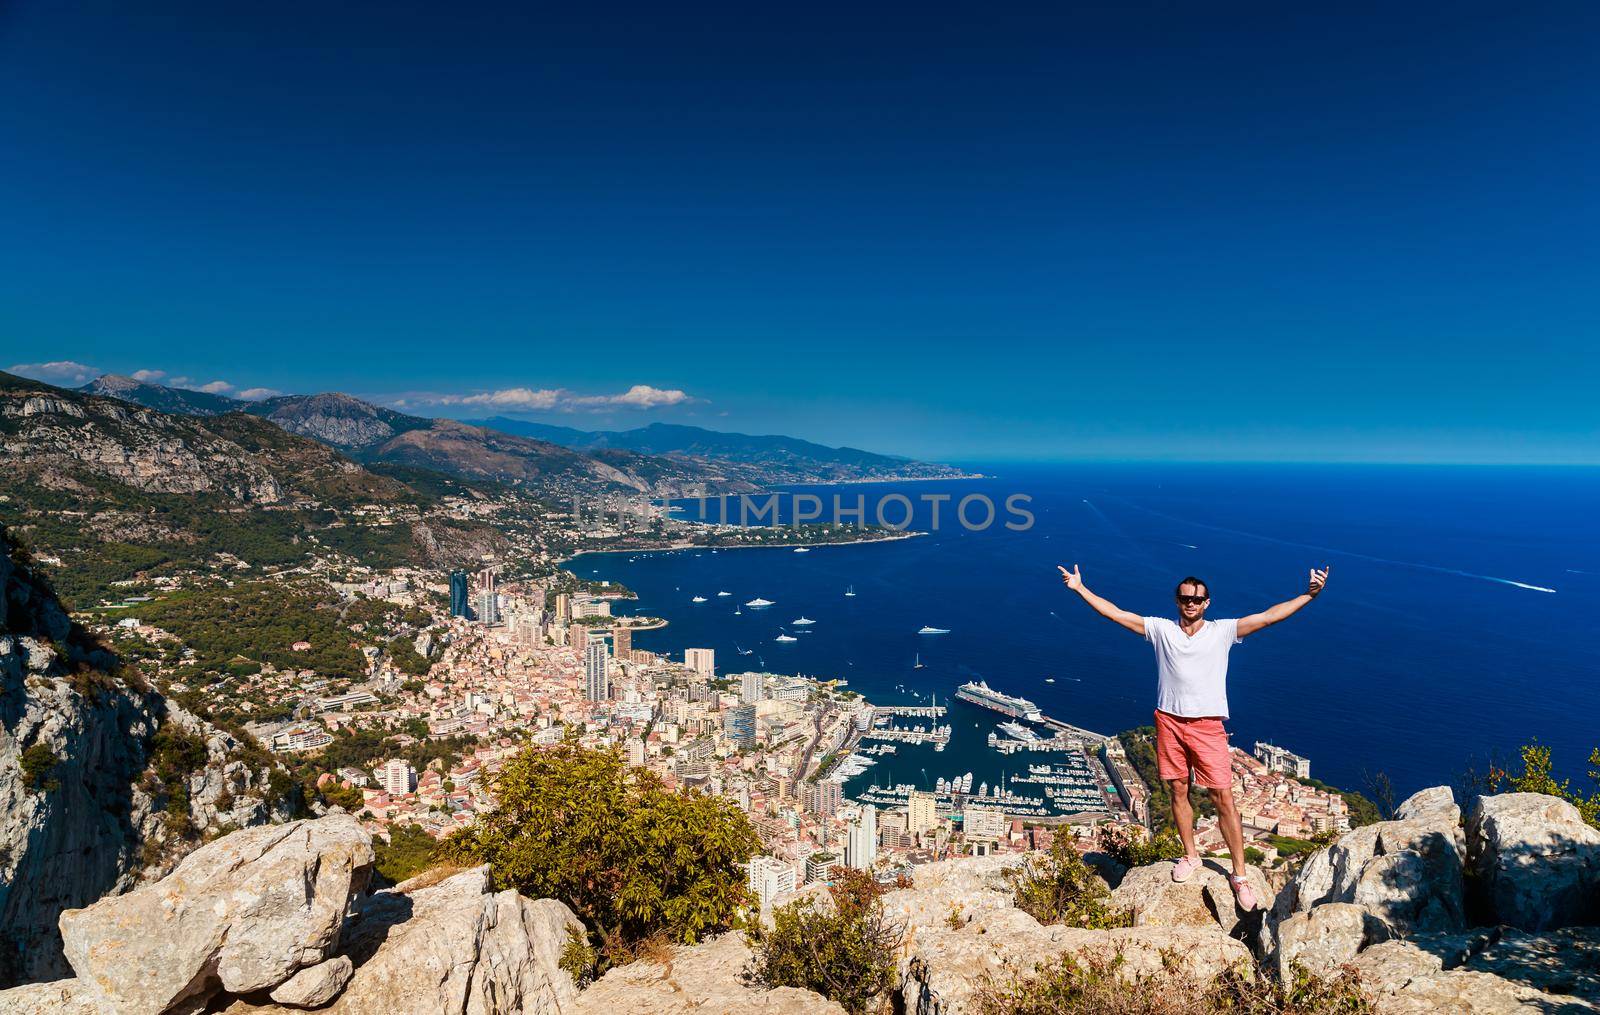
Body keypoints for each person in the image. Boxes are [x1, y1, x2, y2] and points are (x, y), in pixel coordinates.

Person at [1057, 564, 1329, 911]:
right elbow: (1117, 614)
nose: (1191, 603)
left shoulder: (1222, 631)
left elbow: (1268, 617)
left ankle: (1240, 876)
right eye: (1186, 598)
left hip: (1207, 725)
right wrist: (1081, 588)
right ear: (1177, 600)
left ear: (1207, 602)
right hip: (1168, 720)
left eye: (1197, 599)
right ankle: (1190, 855)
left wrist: (1308, 595)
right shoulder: (1161, 629)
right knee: (1176, 790)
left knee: (1223, 798)